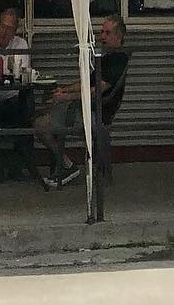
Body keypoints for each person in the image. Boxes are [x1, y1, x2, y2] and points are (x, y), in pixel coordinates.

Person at [34, 14, 129, 187]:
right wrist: (64, 89)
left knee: (41, 124)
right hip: (86, 109)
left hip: (95, 114)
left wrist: (65, 96)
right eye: (101, 32)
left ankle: (66, 166)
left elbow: (96, 90)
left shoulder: (117, 60)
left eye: (107, 33)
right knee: (44, 114)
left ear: (119, 36)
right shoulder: (106, 58)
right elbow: (86, 82)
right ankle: (65, 165)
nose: (102, 36)